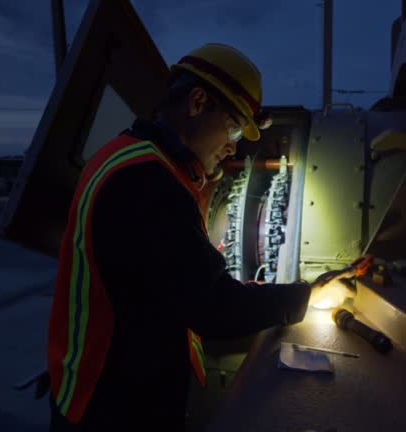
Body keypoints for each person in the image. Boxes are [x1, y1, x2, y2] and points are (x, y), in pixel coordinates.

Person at [46, 43, 354, 431]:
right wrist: (304, 296)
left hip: (96, 383)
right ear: (196, 102)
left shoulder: (123, 154)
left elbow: (168, 278)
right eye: (233, 127)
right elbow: (212, 307)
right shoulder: (148, 182)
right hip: (114, 404)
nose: (233, 147)